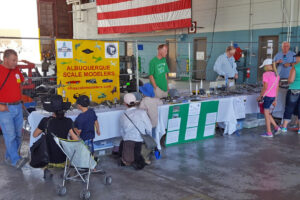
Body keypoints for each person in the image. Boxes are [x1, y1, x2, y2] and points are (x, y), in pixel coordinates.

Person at [33, 95, 79, 179]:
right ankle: (65, 171)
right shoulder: (68, 121)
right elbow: (76, 139)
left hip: (48, 158)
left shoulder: (45, 121)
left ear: (51, 110)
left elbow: (35, 135)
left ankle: (46, 170)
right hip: (63, 158)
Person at [0, 49, 28, 169]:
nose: (16, 62)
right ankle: (15, 160)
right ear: (5, 59)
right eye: (13, 60)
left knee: (18, 135)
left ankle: (9, 156)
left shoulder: (16, 70)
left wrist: (19, 100)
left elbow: (20, 84)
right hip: (4, 108)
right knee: (10, 135)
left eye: (16, 60)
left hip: (17, 106)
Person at [119, 93, 152, 169]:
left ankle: (126, 159)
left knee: (123, 145)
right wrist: (147, 137)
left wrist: (127, 138)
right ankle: (141, 159)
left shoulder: (122, 116)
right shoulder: (142, 113)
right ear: (136, 102)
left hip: (128, 141)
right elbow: (149, 128)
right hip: (140, 141)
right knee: (140, 152)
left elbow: (122, 132)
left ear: (125, 104)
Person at [257, 59, 280, 138]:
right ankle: (276, 127)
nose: (264, 68)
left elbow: (265, 87)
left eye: (264, 66)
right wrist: (275, 99)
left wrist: (260, 96)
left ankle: (269, 132)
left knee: (266, 115)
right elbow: (277, 88)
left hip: (267, 97)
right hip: (273, 97)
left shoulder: (266, 74)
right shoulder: (277, 75)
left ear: (267, 66)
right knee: (268, 113)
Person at [279, 52, 300, 134]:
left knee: (289, 108)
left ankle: (284, 127)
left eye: (297, 57)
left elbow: (290, 80)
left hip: (294, 90)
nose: (296, 59)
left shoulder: (295, 67)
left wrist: (289, 80)